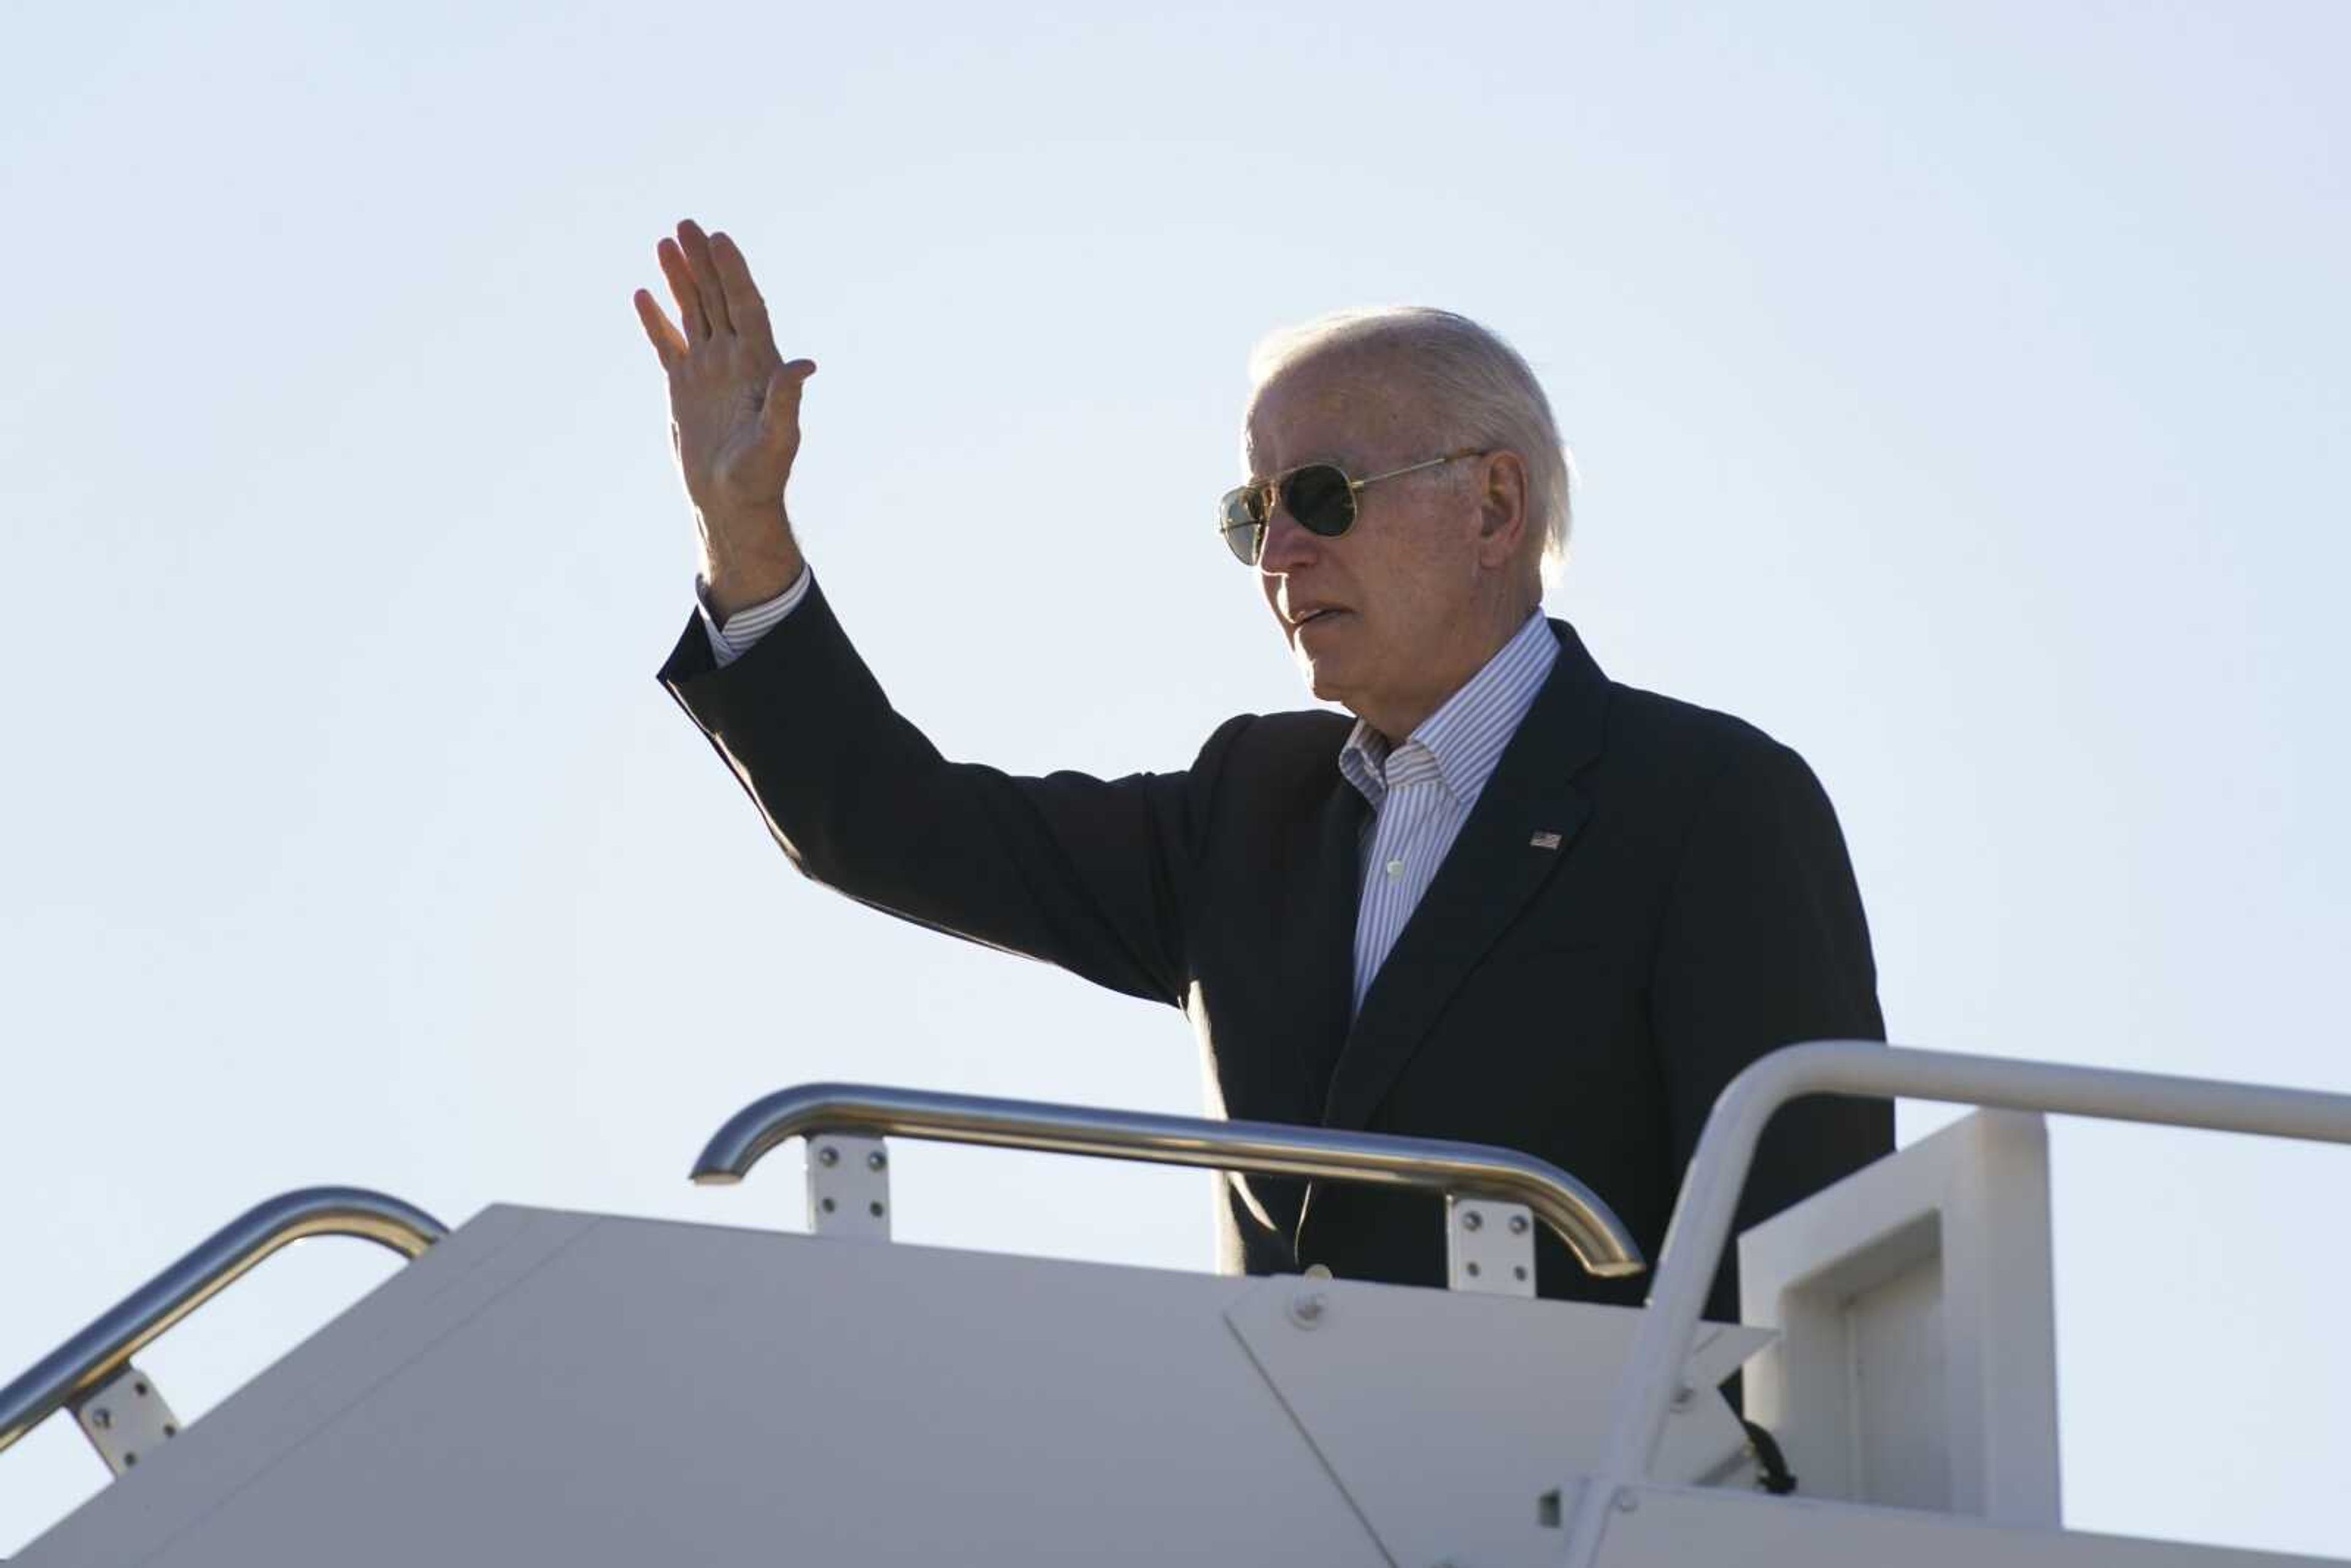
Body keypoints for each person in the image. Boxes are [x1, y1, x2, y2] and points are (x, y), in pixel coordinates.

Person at [637, 217, 1891, 1322]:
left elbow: (1805, 1243)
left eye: (1324, 496)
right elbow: (890, 824)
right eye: (1253, 515)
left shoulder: (1706, 798)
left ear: (1496, 510)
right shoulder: (1250, 806)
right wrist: (741, 534)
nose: (1280, 550)